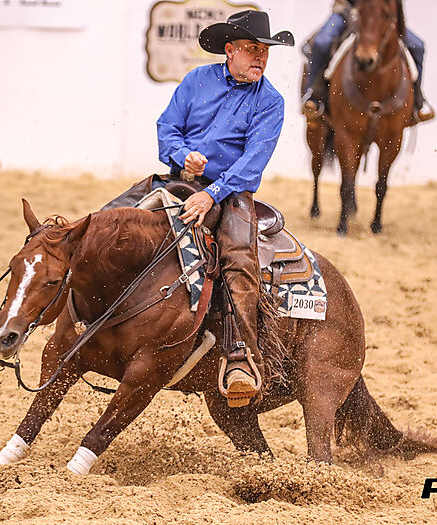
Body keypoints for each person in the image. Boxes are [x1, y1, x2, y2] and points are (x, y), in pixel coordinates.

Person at [101, 10, 294, 408]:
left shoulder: (270, 101)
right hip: (179, 178)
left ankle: (240, 356)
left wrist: (213, 192)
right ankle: (81, 302)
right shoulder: (196, 80)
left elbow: (253, 161)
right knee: (106, 223)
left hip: (232, 193)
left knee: (239, 259)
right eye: (252, 49)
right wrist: (181, 154)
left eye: (265, 51)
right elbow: (167, 127)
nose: (260, 57)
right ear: (230, 50)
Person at [302, 0, 434, 122]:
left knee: (418, 47)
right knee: (322, 43)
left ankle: (417, 102)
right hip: (347, 11)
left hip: (379, 15)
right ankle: (314, 94)